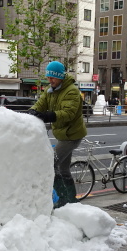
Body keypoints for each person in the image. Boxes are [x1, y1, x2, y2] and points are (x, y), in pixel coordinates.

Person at [28, 61, 87, 207]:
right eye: (48, 77)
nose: (50, 80)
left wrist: (49, 116)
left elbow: (69, 113)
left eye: (53, 78)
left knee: (51, 163)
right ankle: (71, 199)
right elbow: (40, 104)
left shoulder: (71, 91)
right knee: (63, 169)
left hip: (72, 135)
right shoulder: (51, 90)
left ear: (60, 77)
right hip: (62, 134)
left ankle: (62, 197)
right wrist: (31, 112)